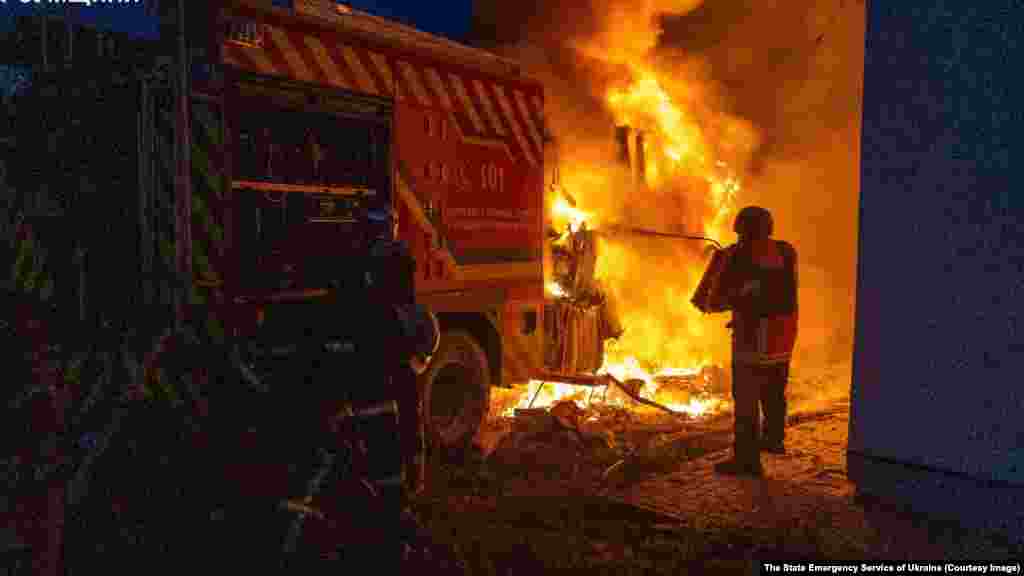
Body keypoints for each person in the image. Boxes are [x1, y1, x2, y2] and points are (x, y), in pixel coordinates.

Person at [691, 206, 798, 476]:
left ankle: (747, 459)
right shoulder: (786, 251)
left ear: (740, 229)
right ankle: (773, 439)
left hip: (752, 338)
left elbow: (710, 302)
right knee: (774, 390)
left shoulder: (735, 255)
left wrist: (724, 277)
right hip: (783, 336)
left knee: (746, 398)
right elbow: (778, 290)